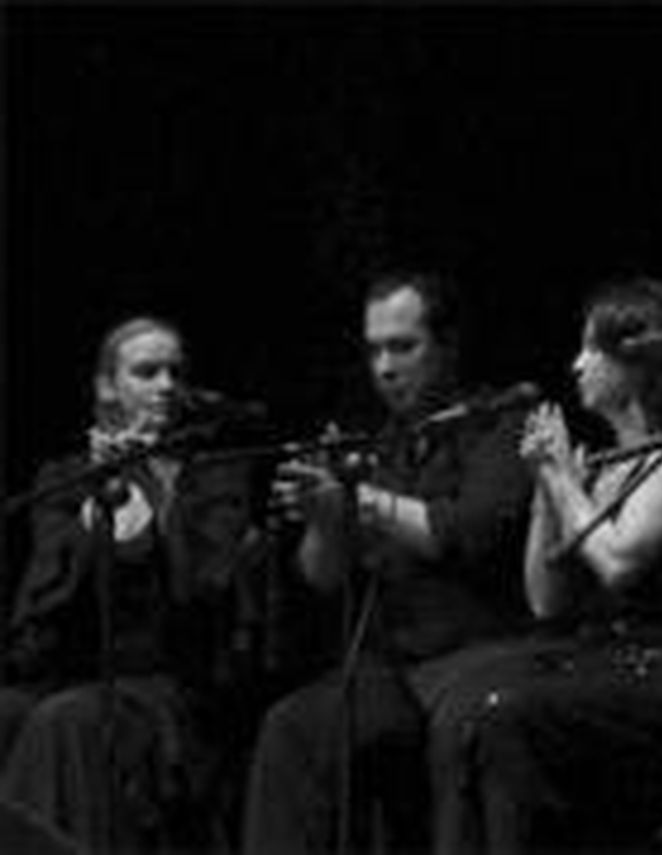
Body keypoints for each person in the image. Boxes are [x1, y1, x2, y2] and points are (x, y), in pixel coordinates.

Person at [241, 271, 533, 855]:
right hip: (396, 670)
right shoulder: (381, 446)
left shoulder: (503, 420)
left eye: (403, 347)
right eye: (374, 350)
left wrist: (358, 498)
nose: (385, 367)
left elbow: (464, 532)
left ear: (447, 346)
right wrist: (324, 516)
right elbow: (324, 577)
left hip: (481, 656)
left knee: (324, 729)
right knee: (291, 724)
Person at [428, 276, 662, 854]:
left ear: (637, 362)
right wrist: (547, 490)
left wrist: (563, 480)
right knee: (464, 708)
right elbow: (546, 601)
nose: (577, 363)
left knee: (506, 718)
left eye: (593, 349)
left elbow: (618, 562)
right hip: (601, 662)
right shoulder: (602, 467)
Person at [1, 316, 269, 852]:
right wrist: (98, 506)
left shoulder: (215, 479)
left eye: (176, 372)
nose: (166, 386)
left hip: (172, 682)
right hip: (77, 673)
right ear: (107, 387)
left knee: (69, 721)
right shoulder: (65, 478)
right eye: (147, 372)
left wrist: (159, 496)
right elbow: (42, 609)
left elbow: (203, 594)